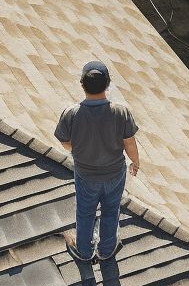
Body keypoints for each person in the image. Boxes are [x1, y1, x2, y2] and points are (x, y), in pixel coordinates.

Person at [54, 60, 140, 262]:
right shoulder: (121, 112)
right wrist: (135, 162)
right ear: (108, 84)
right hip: (114, 173)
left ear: (82, 84)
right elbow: (129, 142)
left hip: (86, 174)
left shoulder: (71, 113)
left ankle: (84, 251)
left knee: (85, 212)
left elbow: (65, 142)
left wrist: (80, 149)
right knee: (111, 210)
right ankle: (106, 250)